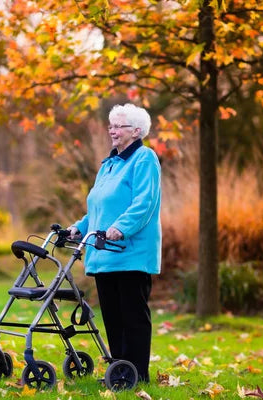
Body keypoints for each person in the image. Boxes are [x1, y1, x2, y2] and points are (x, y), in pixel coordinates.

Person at [68, 103, 161, 383]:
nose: (112, 130)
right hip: (104, 253)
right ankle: (120, 373)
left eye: (118, 126)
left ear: (136, 131)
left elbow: (144, 203)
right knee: (113, 318)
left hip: (131, 253)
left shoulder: (144, 159)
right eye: (111, 125)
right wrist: (78, 228)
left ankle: (137, 375)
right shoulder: (108, 165)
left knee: (133, 318)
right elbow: (98, 210)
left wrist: (120, 228)